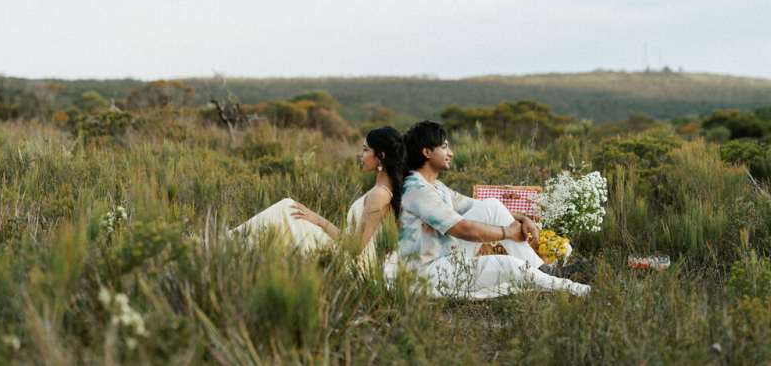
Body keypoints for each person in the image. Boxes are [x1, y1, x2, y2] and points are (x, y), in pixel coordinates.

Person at [398, 120, 590, 298]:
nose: (451, 153)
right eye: (444, 147)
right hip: (426, 274)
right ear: (426, 152)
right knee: (509, 265)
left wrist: (521, 218)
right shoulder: (417, 189)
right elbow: (461, 229)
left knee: (491, 205)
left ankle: (544, 270)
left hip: (445, 257)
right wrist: (508, 233)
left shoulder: (437, 187)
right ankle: (578, 290)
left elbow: (474, 205)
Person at [229, 126, 406, 268]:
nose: (360, 154)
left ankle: (228, 245)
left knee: (287, 209)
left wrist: (318, 220)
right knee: (288, 209)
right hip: (344, 251)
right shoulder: (382, 188)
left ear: (381, 156)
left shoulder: (380, 194)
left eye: (365, 150)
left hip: (351, 263)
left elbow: (356, 247)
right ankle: (234, 244)